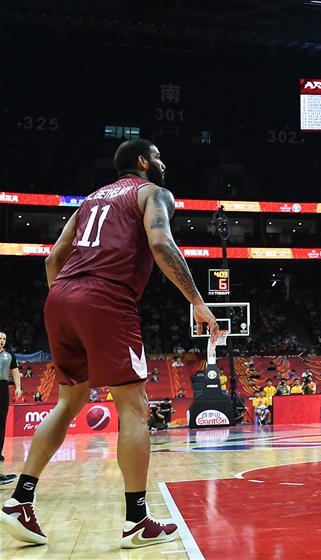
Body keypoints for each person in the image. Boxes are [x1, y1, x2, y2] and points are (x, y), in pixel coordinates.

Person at [0, 139, 219, 547]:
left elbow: (53, 259)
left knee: (68, 402)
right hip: (105, 298)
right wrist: (197, 302)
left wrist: (68, 303)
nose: (163, 161)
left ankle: (19, 500)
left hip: (60, 297)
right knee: (134, 408)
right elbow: (160, 244)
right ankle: (137, 520)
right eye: (157, 156)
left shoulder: (90, 201)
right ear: (142, 162)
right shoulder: (153, 193)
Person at [0, 332, 23, 484]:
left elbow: (15, 372)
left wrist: (18, 387)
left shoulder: (9, 356)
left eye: (4, 339)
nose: (2, 341)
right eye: (0, 338)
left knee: (1, 424)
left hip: (2, 389)